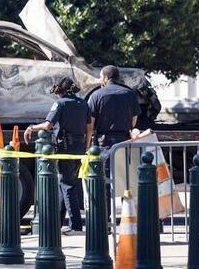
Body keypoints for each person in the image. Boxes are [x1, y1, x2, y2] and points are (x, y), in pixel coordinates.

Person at [24, 76, 90, 236]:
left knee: (67, 185)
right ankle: (58, 223)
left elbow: (48, 125)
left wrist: (31, 128)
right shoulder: (83, 104)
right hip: (80, 147)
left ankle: (75, 225)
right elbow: (89, 128)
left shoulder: (60, 103)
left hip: (64, 147)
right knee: (67, 183)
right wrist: (86, 148)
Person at [85, 65, 141, 220]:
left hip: (104, 143)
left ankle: (105, 220)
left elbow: (90, 125)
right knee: (125, 181)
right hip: (124, 141)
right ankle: (127, 220)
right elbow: (134, 121)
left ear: (105, 77)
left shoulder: (97, 95)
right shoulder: (129, 94)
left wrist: (88, 145)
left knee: (103, 182)